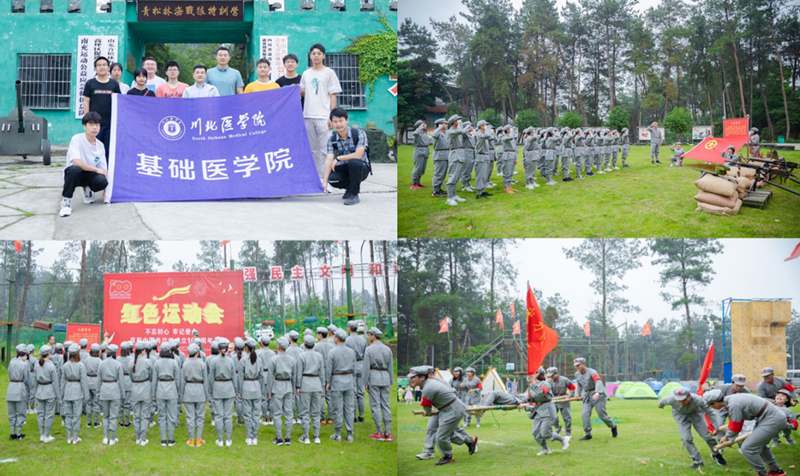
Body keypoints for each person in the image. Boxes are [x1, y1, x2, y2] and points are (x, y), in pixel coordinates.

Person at [705, 389, 792, 476]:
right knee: (760, 445)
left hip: (772, 419)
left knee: (747, 448)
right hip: (770, 418)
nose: (711, 407)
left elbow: (736, 424)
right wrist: (729, 437)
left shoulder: (733, 404)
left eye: (710, 405)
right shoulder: (732, 399)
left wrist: (727, 437)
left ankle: (762, 473)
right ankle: (776, 470)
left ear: (715, 403)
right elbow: (737, 420)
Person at [409, 366, 478, 466]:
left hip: (452, 410)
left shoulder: (428, 387)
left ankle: (448, 456)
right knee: (442, 432)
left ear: (422, 378)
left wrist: (427, 412)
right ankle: (470, 441)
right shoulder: (428, 384)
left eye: (413, 377)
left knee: (441, 436)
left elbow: (426, 407)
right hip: (445, 409)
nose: (410, 379)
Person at [300, 43, 343, 178]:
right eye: (314, 53)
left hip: (324, 117)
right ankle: (317, 179)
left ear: (323, 56)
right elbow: (304, 93)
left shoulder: (329, 73)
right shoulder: (306, 73)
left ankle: (327, 180)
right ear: (310, 56)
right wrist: (295, 89)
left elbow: (333, 95)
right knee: (313, 150)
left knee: (326, 150)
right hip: (307, 116)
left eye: (319, 53)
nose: (316, 56)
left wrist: (332, 117)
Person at [658, 387, 726, 469]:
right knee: (686, 438)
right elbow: (661, 402)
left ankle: (716, 454)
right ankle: (697, 461)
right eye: (678, 400)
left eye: (683, 400)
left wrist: (716, 427)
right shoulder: (670, 399)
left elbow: (710, 413)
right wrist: (660, 406)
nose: (681, 402)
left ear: (689, 395)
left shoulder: (698, 399)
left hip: (696, 414)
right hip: (680, 416)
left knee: (707, 436)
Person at [59, 112, 109, 218]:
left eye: (97, 125)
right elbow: (76, 161)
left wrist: (106, 193)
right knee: (75, 170)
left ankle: (87, 188)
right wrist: (96, 170)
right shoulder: (77, 139)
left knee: (102, 181)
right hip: (74, 174)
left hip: (89, 174)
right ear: (84, 126)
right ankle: (66, 202)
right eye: (91, 124)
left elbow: (104, 170)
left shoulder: (100, 145)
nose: (95, 127)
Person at [321, 108, 370, 206]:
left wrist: (338, 158)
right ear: (332, 123)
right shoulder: (332, 139)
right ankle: (349, 188)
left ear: (347, 120)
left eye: (341, 121)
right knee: (332, 179)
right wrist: (325, 181)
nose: (338, 124)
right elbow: (329, 160)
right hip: (345, 168)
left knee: (354, 162)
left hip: (360, 168)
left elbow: (358, 155)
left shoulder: (359, 134)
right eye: (335, 121)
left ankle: (354, 194)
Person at [520, 369, 569, 455]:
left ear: (539, 373)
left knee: (545, 433)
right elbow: (535, 398)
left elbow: (542, 393)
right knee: (535, 432)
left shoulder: (545, 384)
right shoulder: (533, 386)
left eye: (534, 373)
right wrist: (529, 399)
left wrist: (532, 383)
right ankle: (545, 448)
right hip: (538, 411)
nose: (531, 375)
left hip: (547, 410)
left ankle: (563, 440)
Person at [82, 55, 120, 164]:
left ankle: (107, 171)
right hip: (94, 123)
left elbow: (118, 102)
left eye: (104, 65)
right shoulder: (90, 83)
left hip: (110, 123)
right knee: (93, 148)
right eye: (99, 65)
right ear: (95, 69)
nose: (101, 67)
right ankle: (93, 169)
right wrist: (87, 120)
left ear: (108, 68)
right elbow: (86, 101)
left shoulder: (114, 84)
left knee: (109, 148)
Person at [573, 357, 617, 440]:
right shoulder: (577, 374)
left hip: (598, 395)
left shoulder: (592, 372)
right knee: (584, 415)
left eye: (578, 365)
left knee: (602, 415)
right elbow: (579, 385)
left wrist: (597, 392)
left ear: (583, 364)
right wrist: (578, 394)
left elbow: (598, 382)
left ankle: (613, 426)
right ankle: (588, 434)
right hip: (586, 396)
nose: (577, 367)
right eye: (576, 365)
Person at [327, 329, 357, 442]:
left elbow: (329, 369)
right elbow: (354, 368)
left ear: (336, 338)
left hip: (337, 381)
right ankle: (350, 434)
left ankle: (338, 434)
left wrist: (328, 382)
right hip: (349, 380)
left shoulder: (332, 352)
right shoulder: (351, 352)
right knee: (349, 408)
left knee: (337, 408)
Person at [364, 327, 393, 441]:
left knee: (375, 405)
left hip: (374, 377)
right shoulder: (388, 349)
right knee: (386, 404)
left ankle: (379, 432)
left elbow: (366, 368)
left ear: (373, 336)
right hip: (385, 377)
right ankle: (388, 432)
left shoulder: (369, 349)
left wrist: (365, 382)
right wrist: (390, 381)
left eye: (369, 335)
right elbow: (390, 367)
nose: (368, 337)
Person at [295, 335, 325, 445]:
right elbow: (322, 372)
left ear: (304, 344)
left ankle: (306, 436)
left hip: (305, 384)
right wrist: (321, 385)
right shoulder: (319, 356)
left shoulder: (301, 356)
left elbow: (299, 373)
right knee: (316, 412)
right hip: (316, 383)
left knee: (305, 411)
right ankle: (316, 435)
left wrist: (298, 386)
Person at [267, 336, 297, 446]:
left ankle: (279, 438)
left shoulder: (273, 359)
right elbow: (294, 376)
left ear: (278, 346)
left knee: (278, 413)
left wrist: (269, 390)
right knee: (289, 413)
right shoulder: (292, 360)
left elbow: (270, 376)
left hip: (277, 386)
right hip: (288, 385)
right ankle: (287, 437)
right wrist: (293, 389)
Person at [757, 367, 797, 446]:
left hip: (782, 403)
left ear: (773, 374)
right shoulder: (760, 385)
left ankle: (787, 436)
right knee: (772, 423)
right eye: (764, 376)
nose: (766, 377)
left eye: (768, 375)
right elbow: (760, 398)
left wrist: (794, 400)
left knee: (786, 420)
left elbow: (790, 389)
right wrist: (771, 401)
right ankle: (775, 440)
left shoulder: (780, 380)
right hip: (769, 405)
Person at [209, 338, 236, 447]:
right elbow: (234, 376)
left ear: (219, 349)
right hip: (229, 387)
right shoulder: (231, 361)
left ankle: (220, 440)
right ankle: (228, 440)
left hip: (217, 388)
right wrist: (235, 389)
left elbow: (211, 377)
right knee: (228, 415)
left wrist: (210, 390)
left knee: (219, 415)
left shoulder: (214, 361)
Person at [153, 342, 180, 447]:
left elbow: (154, 380)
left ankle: (163, 439)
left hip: (160, 389)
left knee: (161, 415)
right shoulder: (174, 362)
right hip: (172, 389)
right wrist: (178, 391)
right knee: (171, 415)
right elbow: (177, 379)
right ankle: (171, 439)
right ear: (169, 351)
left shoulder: (157, 363)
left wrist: (154, 393)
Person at [61, 343, 88, 444]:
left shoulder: (65, 365)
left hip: (68, 390)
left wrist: (61, 394)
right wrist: (86, 395)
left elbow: (62, 381)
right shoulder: (81, 365)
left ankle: (69, 437)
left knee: (68, 415)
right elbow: (84, 381)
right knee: (76, 415)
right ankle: (75, 437)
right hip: (77, 391)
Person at [238, 338, 263, 446]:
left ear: (246, 347)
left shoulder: (243, 360)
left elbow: (240, 377)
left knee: (247, 414)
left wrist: (239, 391)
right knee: (256, 414)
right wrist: (261, 390)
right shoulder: (259, 360)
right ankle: (255, 437)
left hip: (246, 387)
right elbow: (261, 376)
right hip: (257, 386)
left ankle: (249, 437)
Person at [98, 344, 124, 445]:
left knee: (105, 416)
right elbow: (121, 381)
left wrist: (98, 392)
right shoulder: (117, 364)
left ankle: (105, 437)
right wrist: (122, 394)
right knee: (113, 416)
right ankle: (112, 438)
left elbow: (98, 379)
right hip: (114, 390)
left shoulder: (102, 364)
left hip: (104, 389)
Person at [182, 343, 208, 447]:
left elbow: (182, 381)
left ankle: (191, 439)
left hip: (188, 390)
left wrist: (182, 395)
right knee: (200, 416)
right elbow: (205, 381)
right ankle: (199, 439)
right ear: (197, 352)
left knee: (190, 416)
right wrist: (206, 396)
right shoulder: (202, 364)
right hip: (200, 390)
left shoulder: (185, 364)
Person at [130, 341, 153, 446]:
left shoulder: (131, 362)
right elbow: (151, 376)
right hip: (145, 389)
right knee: (144, 415)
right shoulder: (148, 362)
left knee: (136, 415)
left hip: (135, 389)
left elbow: (131, 377)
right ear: (143, 351)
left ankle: (138, 438)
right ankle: (143, 438)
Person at [34, 345, 59, 443]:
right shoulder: (51, 365)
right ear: (49, 353)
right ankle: (47, 435)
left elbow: (35, 380)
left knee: (40, 414)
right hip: (49, 391)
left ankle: (42, 434)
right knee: (48, 414)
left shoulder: (37, 365)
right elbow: (55, 382)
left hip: (39, 391)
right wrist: (58, 395)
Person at [344, 321, 367, 424]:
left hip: (351, 365)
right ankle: (361, 416)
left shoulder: (347, 340)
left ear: (349, 328)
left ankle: (352, 416)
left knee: (353, 393)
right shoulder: (363, 340)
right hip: (361, 365)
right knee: (361, 393)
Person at [7, 344, 30, 440]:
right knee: (20, 411)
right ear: (24, 355)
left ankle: (12, 433)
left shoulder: (11, 362)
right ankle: (19, 434)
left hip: (11, 387)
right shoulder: (24, 364)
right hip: (20, 387)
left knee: (11, 412)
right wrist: (28, 388)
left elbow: (9, 374)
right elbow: (26, 378)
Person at [313, 328, 334, 424]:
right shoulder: (332, 345)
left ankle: (321, 417)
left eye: (317, 334)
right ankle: (330, 417)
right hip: (330, 371)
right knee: (329, 395)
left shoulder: (316, 346)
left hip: (320, 371)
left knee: (321, 395)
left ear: (320, 335)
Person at [546, 367, 575, 437]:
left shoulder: (565, 380)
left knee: (567, 417)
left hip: (564, 399)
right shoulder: (548, 382)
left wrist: (571, 396)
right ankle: (558, 428)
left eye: (552, 375)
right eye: (549, 376)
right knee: (553, 416)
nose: (551, 377)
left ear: (556, 373)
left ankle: (568, 432)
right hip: (554, 400)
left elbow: (572, 388)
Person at [257, 335, 275, 426]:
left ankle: (264, 418)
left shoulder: (258, 353)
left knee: (263, 398)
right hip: (271, 376)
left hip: (262, 375)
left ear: (261, 343)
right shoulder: (273, 353)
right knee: (271, 398)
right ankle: (271, 418)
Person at [473, 120, 494, 198]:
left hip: (485, 156)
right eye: (485, 125)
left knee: (484, 175)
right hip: (481, 156)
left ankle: (482, 190)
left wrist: (489, 131)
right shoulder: (479, 134)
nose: (487, 126)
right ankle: (479, 193)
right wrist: (488, 130)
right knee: (480, 175)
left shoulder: (484, 134)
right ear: (481, 126)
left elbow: (491, 137)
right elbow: (488, 135)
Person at [429, 119, 449, 198]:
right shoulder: (437, 133)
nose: (447, 125)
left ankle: (439, 188)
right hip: (439, 155)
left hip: (445, 154)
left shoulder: (444, 133)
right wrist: (439, 127)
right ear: (440, 125)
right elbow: (433, 135)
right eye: (445, 123)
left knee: (443, 174)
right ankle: (435, 191)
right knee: (438, 173)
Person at [85, 343, 102, 428]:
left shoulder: (86, 359)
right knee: (96, 403)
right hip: (96, 382)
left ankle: (88, 422)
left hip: (87, 381)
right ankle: (95, 422)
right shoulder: (99, 361)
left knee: (88, 403)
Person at [116, 342, 133, 428]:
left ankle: (121, 421)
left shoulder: (117, 359)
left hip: (120, 380)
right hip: (129, 380)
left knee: (120, 403)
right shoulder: (131, 358)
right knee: (128, 402)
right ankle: (127, 421)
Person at [410, 120, 429, 189]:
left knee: (422, 169)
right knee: (417, 168)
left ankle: (418, 182)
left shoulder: (424, 133)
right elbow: (414, 133)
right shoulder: (417, 133)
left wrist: (427, 153)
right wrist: (420, 127)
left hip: (425, 151)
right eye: (424, 124)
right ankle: (414, 184)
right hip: (419, 151)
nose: (425, 125)